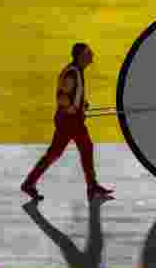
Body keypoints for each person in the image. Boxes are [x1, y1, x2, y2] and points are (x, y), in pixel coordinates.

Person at [21, 42, 113, 201]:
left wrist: (81, 105)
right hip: (69, 121)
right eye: (88, 53)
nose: (92, 56)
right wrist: (72, 109)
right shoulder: (72, 73)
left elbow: (71, 96)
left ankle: (29, 183)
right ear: (80, 56)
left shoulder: (77, 71)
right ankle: (91, 187)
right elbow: (61, 97)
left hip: (70, 120)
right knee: (80, 149)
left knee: (61, 152)